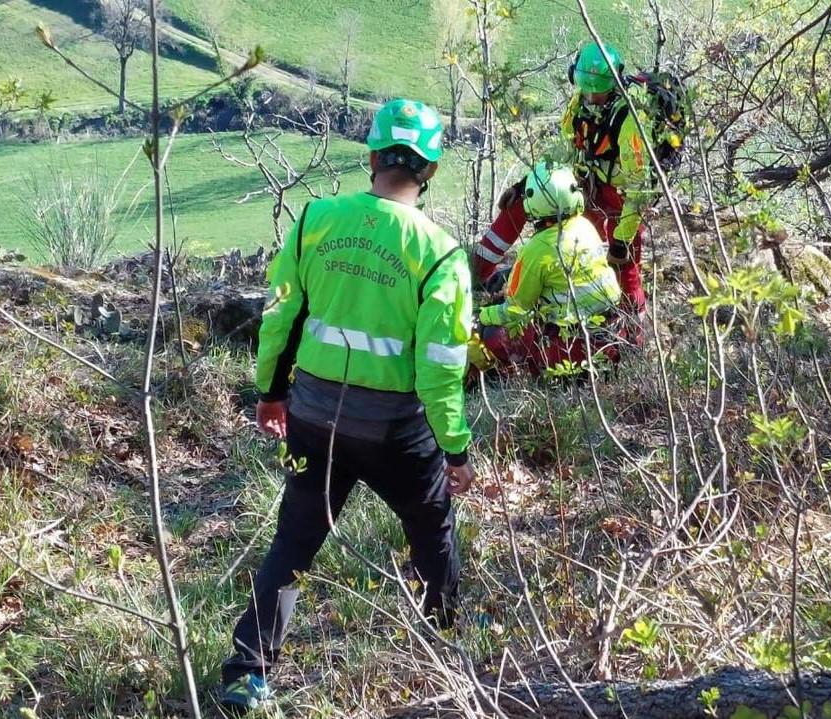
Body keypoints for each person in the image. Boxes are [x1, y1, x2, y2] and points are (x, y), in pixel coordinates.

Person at [219, 98, 475, 712]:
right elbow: (441, 369)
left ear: (372, 157)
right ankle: (447, 639)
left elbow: (281, 317)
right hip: (397, 431)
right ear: (430, 169)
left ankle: (248, 673)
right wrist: (455, 449)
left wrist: (270, 394)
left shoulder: (316, 219)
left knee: (295, 541)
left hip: (313, 418)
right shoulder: (440, 253)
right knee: (431, 527)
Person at [472, 41, 650, 337]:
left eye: (597, 90)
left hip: (619, 198)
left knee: (625, 266)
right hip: (584, 185)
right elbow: (563, 150)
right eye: (586, 88)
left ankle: (634, 335)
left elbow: (639, 188)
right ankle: (477, 271)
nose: (591, 96)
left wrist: (621, 239)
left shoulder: (628, 120)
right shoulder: (579, 104)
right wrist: (528, 183)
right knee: (520, 203)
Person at [470, 161, 622, 376]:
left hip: (570, 351)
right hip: (610, 338)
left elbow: (515, 311)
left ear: (532, 201)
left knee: (492, 332)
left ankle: (500, 376)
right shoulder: (586, 226)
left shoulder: (536, 249)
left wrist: (482, 316)